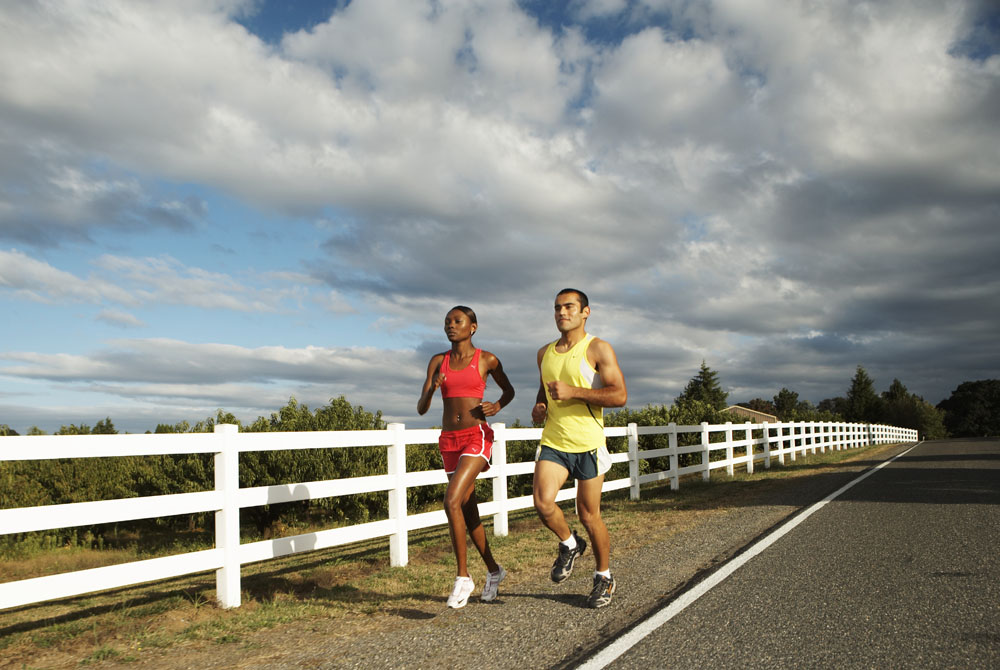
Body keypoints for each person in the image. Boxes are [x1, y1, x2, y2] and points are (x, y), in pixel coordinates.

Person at [531, 289, 627, 608]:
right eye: (557, 307)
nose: (562, 312)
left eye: (569, 307)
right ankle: (570, 544)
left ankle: (604, 576)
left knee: (588, 515)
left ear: (586, 312)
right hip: (555, 441)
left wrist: (574, 391)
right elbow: (543, 392)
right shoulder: (544, 352)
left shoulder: (598, 348)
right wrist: (539, 408)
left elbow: (618, 396)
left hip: (588, 444)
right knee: (543, 503)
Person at [418, 305, 515, 608]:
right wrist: (432, 390)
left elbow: (509, 390)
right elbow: (421, 408)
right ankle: (494, 570)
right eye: (447, 321)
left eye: (457, 321)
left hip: (476, 435)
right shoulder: (438, 361)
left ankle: (463, 577)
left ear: (472, 326)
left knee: (450, 501)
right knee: (467, 510)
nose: (451, 326)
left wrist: (496, 407)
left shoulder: (486, 359)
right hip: (449, 440)